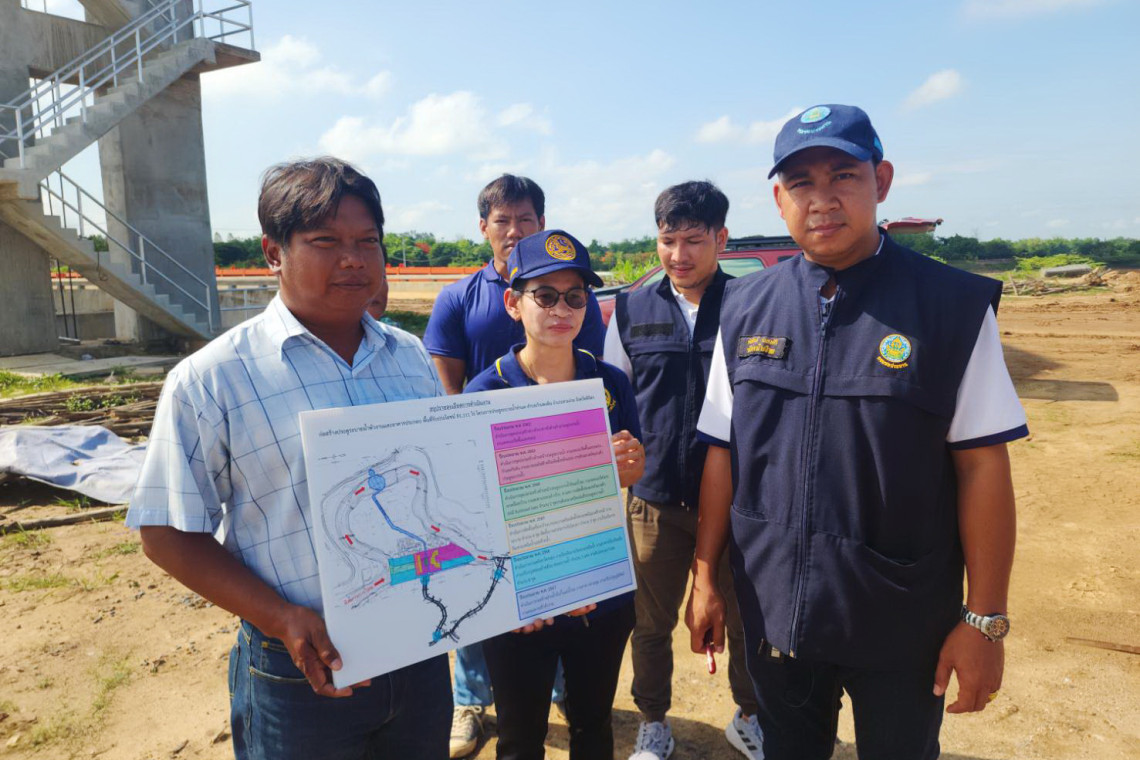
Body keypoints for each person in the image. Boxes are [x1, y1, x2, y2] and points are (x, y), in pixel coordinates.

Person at [686, 104, 1027, 759]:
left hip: (902, 617)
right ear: (780, 200)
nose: (822, 199)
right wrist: (705, 580)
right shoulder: (744, 306)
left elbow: (982, 466)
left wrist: (984, 621)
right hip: (775, 611)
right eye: (801, 183)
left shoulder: (952, 308)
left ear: (882, 181)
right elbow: (722, 453)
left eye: (843, 175)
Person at [127, 158, 451, 760]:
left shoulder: (410, 358)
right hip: (300, 670)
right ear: (274, 253)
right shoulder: (213, 379)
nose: (353, 259)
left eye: (368, 241)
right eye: (325, 242)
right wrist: (280, 617)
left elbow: (447, 490)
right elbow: (166, 531)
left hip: (422, 644)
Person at [423, 175, 597, 756]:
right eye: (503, 220)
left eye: (526, 219)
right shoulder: (458, 299)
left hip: (554, 470)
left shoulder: (571, 290)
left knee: (558, 581)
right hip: (484, 470)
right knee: (478, 582)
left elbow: (586, 376)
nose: (515, 230)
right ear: (484, 227)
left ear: (542, 223)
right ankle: (471, 700)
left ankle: (558, 688)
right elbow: (448, 387)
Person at [465, 229, 644, 760]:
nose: (561, 309)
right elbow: (475, 508)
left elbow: (628, 472)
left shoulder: (609, 383)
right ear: (513, 303)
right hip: (522, 603)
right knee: (520, 738)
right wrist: (518, 595)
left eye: (575, 296)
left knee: (593, 727)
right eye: (544, 295)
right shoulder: (486, 391)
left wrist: (630, 466)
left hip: (600, 590)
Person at [603, 181, 763, 760]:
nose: (679, 255)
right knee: (650, 623)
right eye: (668, 241)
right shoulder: (630, 309)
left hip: (741, 503)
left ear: (722, 238)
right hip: (654, 501)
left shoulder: (752, 303)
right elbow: (611, 399)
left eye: (694, 240)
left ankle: (750, 715)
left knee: (746, 621)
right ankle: (653, 720)